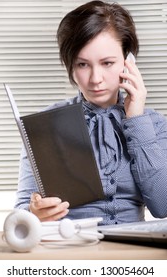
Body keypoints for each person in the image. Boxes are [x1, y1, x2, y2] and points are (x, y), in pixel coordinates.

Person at [15, 0, 167, 225]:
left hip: (134, 253)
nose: (96, 79)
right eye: (82, 64)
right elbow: (20, 216)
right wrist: (34, 214)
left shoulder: (154, 124)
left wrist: (136, 120)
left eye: (107, 63)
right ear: (70, 66)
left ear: (128, 61)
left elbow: (162, 206)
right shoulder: (46, 125)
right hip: (70, 249)